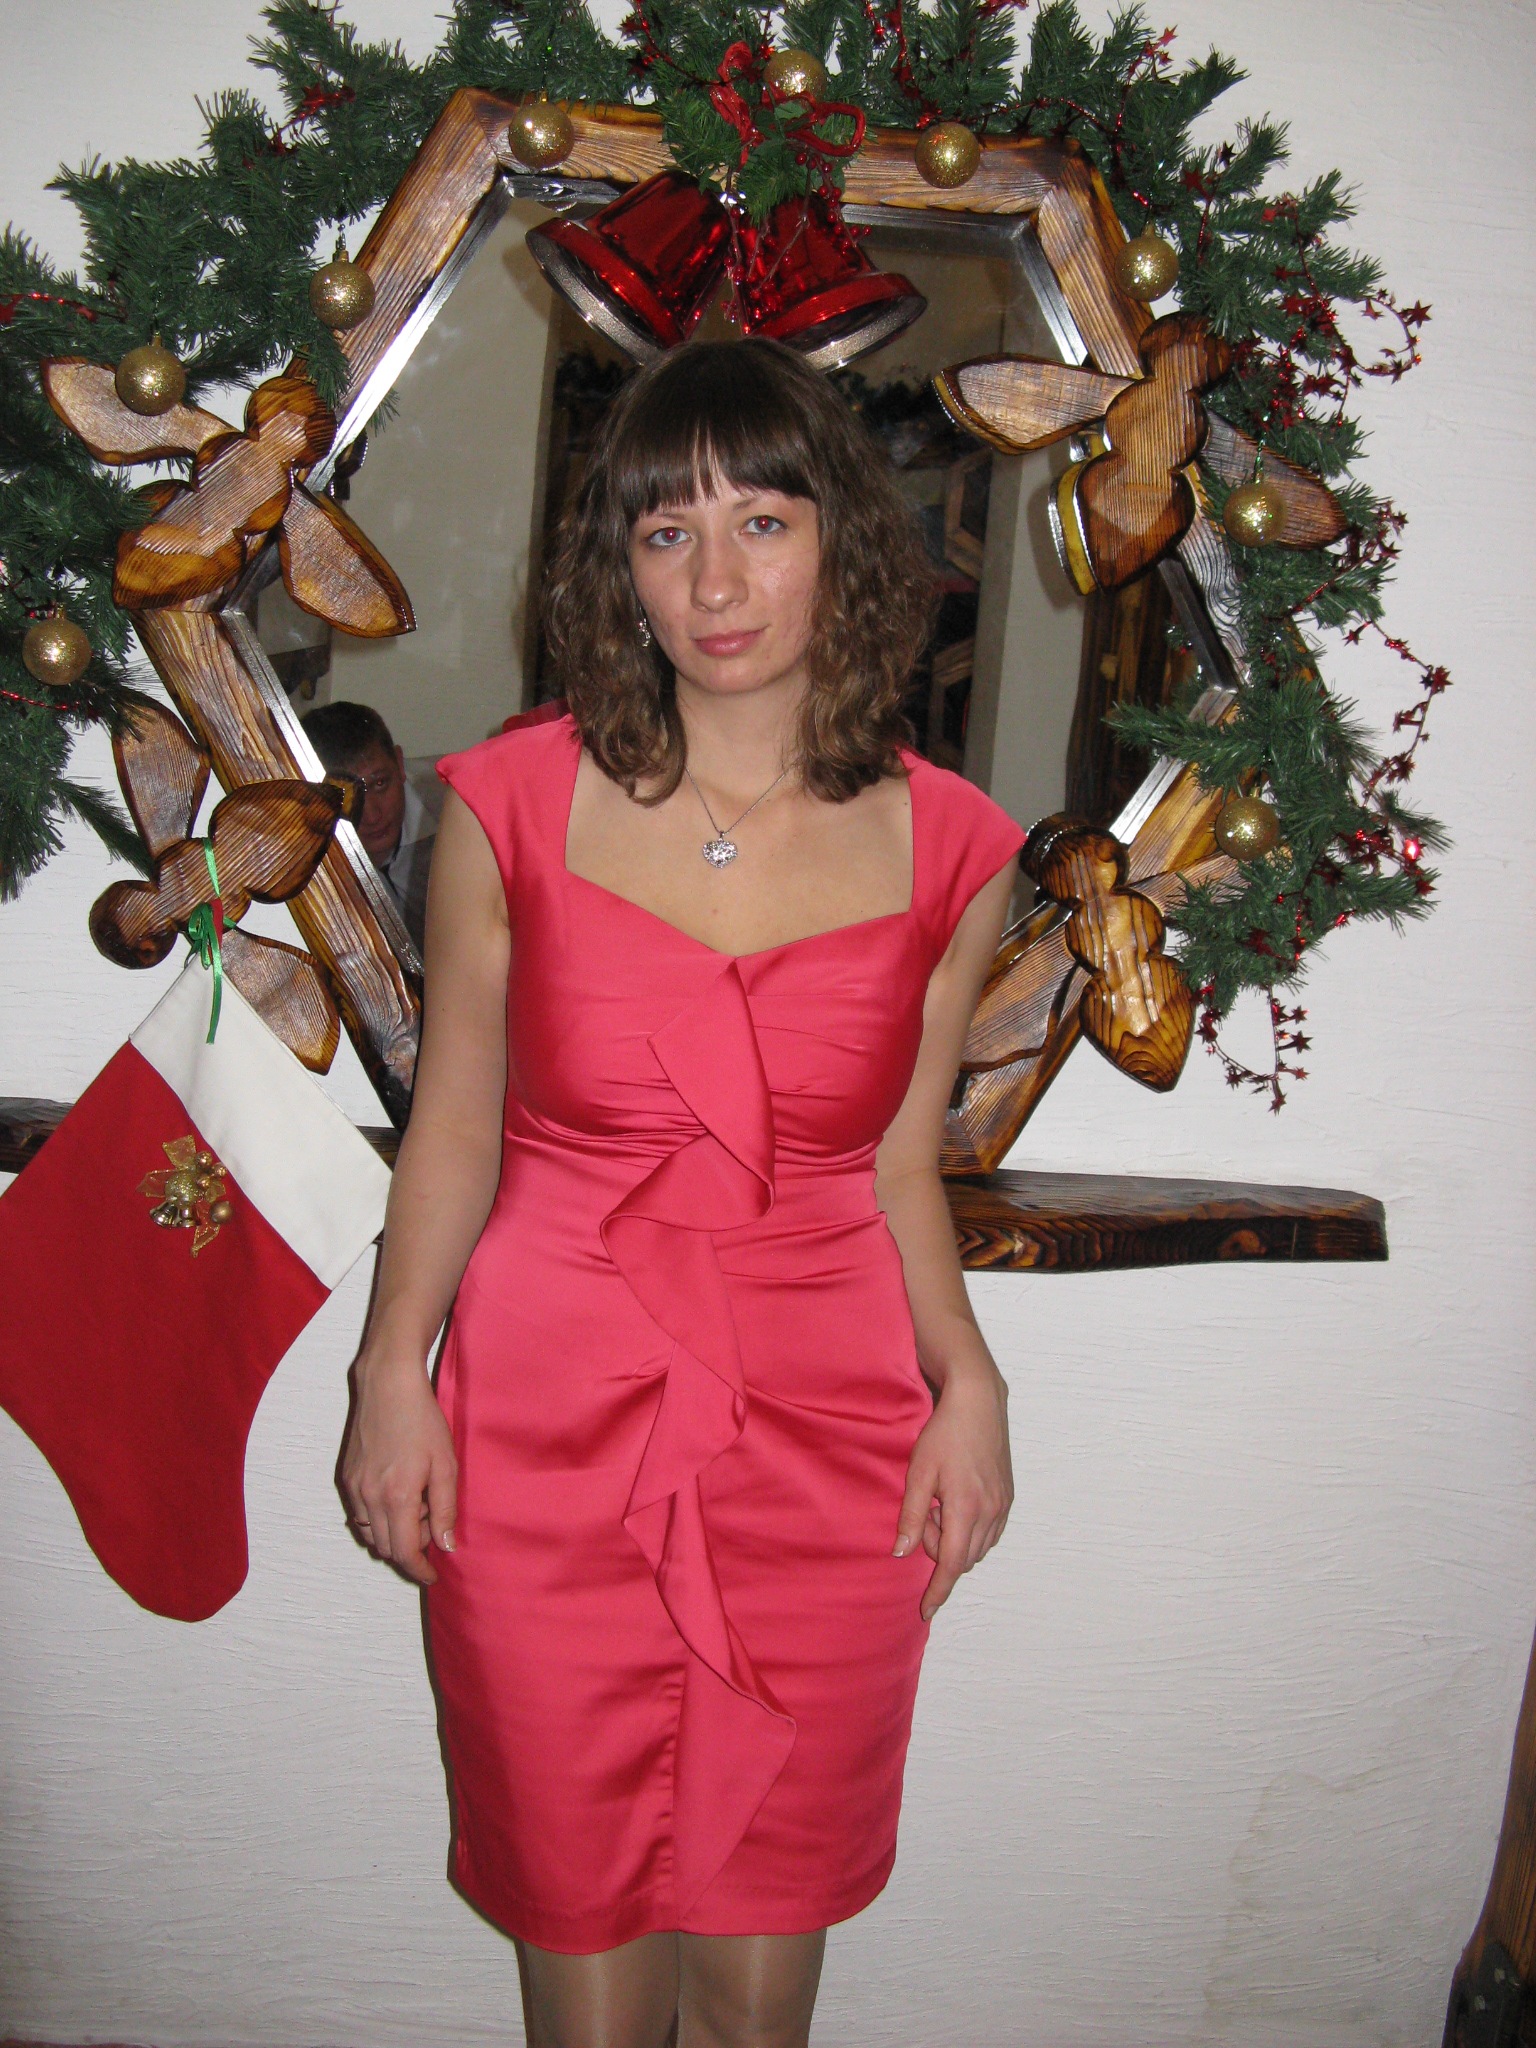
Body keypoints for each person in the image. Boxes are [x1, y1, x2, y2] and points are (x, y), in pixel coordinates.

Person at [341, 339, 1023, 2048]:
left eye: (762, 523)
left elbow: (898, 1160)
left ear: (842, 540)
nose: (716, 583)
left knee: (758, 1986)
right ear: (619, 567)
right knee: (579, 1950)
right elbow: (456, 1128)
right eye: (667, 534)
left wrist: (972, 1380)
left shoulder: (955, 849)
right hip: (545, 1424)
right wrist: (388, 1371)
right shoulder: (508, 805)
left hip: (826, 1435)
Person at [299, 700, 435, 951]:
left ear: (399, 763)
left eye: (380, 783)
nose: (372, 815)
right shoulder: (302, 857)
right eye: (347, 797)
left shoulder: (460, 805)